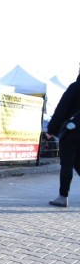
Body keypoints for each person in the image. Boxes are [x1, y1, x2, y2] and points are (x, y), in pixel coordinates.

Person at [45, 73, 80, 207]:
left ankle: (62, 196)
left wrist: (51, 129)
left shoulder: (75, 87)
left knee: (67, 164)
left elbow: (62, 108)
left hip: (72, 132)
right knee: (78, 163)